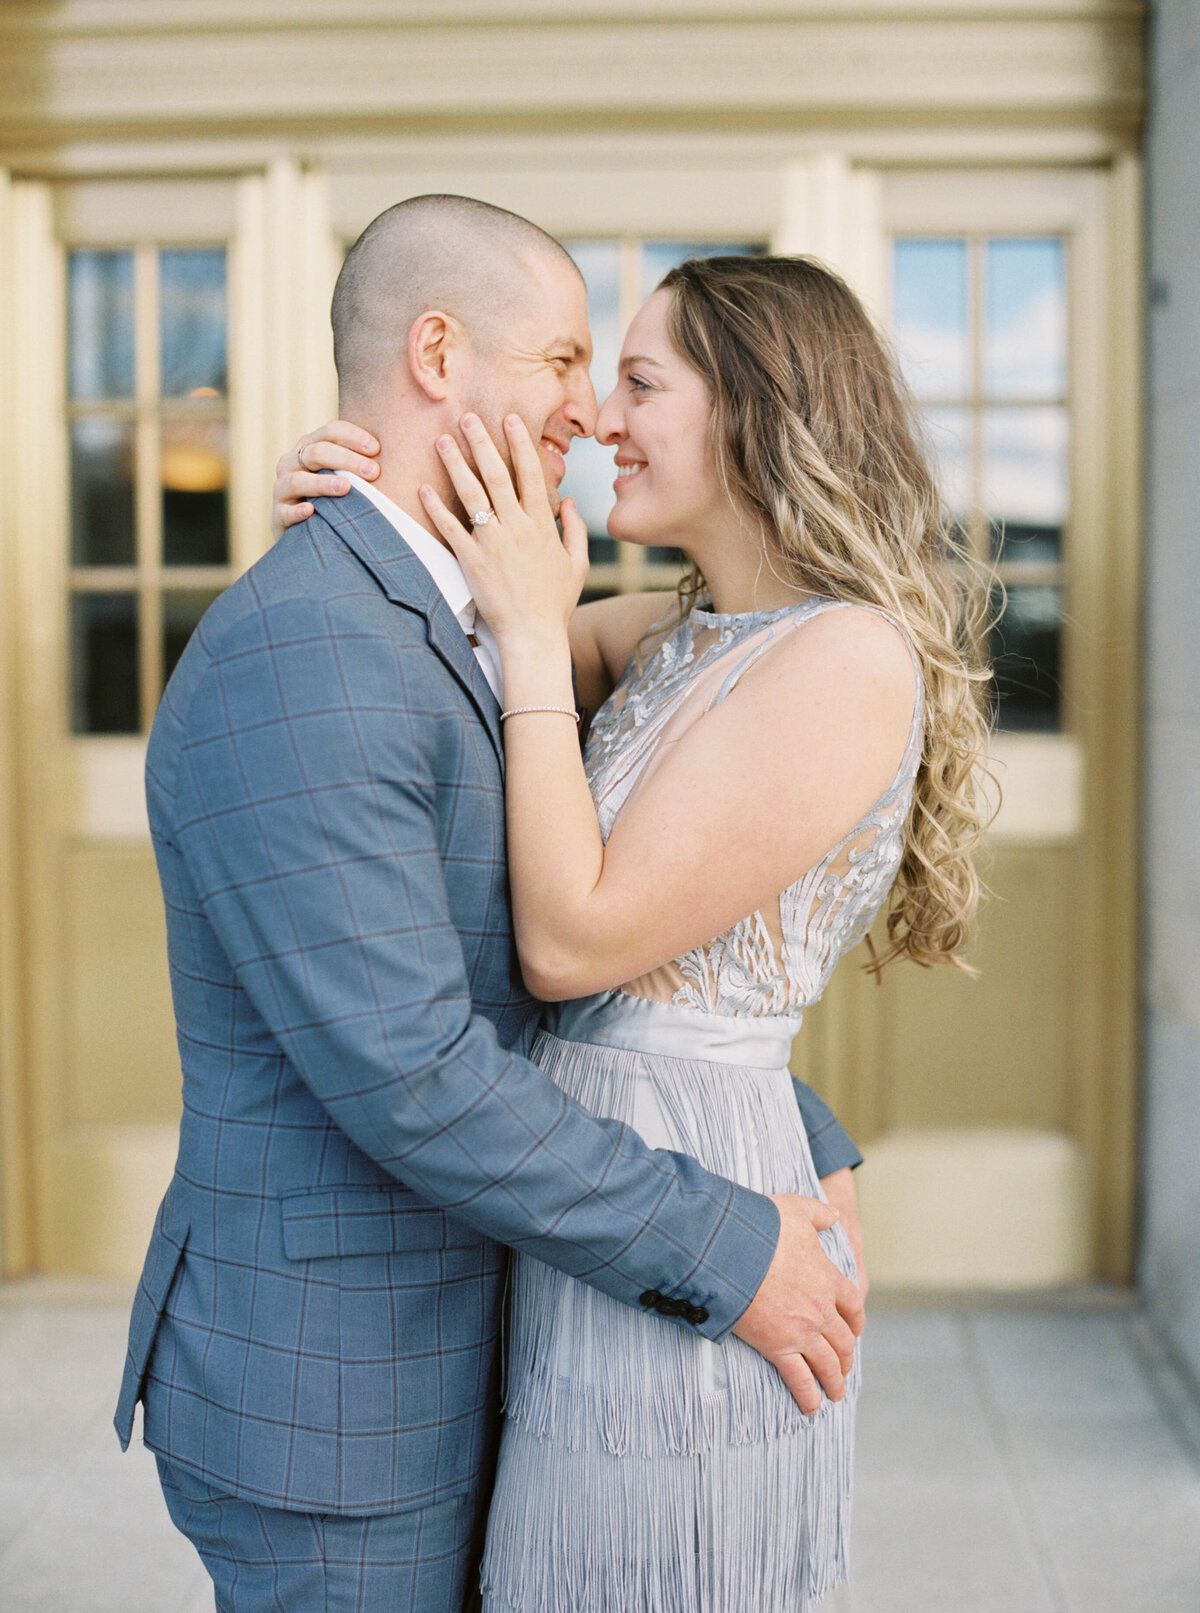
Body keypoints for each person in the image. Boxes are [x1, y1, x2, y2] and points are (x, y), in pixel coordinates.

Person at [115, 196, 871, 1613]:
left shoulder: (480, 617)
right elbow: (414, 1073)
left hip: (471, 1353)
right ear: (440, 352)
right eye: (570, 364)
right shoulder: (309, 648)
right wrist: (728, 1243)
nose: (588, 417)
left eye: (624, 380)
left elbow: (625, 926)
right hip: (341, 1410)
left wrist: (786, 1119)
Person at [276, 252, 991, 1610]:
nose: (601, 418)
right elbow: (462, 641)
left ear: (759, 410)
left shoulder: (846, 657)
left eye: (642, 382)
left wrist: (538, 635)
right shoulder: (690, 632)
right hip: (601, 1181)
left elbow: (573, 939)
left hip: (700, 1192)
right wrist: (357, 510)